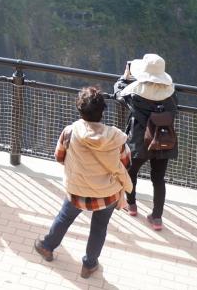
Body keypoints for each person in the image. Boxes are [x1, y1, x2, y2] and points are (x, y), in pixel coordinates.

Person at [34, 86, 132, 279]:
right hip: (107, 193)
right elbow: (126, 163)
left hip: (77, 190)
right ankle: (88, 265)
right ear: (103, 111)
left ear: (79, 110)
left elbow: (59, 157)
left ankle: (47, 247)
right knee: (99, 227)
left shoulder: (70, 132)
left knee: (65, 217)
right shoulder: (116, 138)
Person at [114, 53, 178, 230]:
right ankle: (157, 217)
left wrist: (125, 77)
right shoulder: (170, 94)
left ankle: (131, 205)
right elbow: (174, 109)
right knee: (158, 179)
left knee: (131, 172)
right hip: (162, 138)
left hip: (139, 140)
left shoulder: (135, 93)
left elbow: (118, 92)